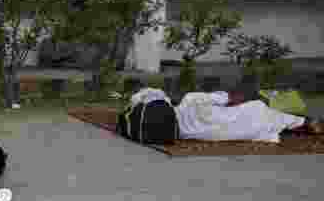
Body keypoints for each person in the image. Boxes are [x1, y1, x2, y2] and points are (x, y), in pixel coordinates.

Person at [135, 77, 323, 143]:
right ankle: (306, 123)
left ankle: (302, 124)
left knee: (257, 118)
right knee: (259, 110)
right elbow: (231, 99)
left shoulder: (181, 130)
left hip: (234, 130)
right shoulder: (192, 99)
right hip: (248, 120)